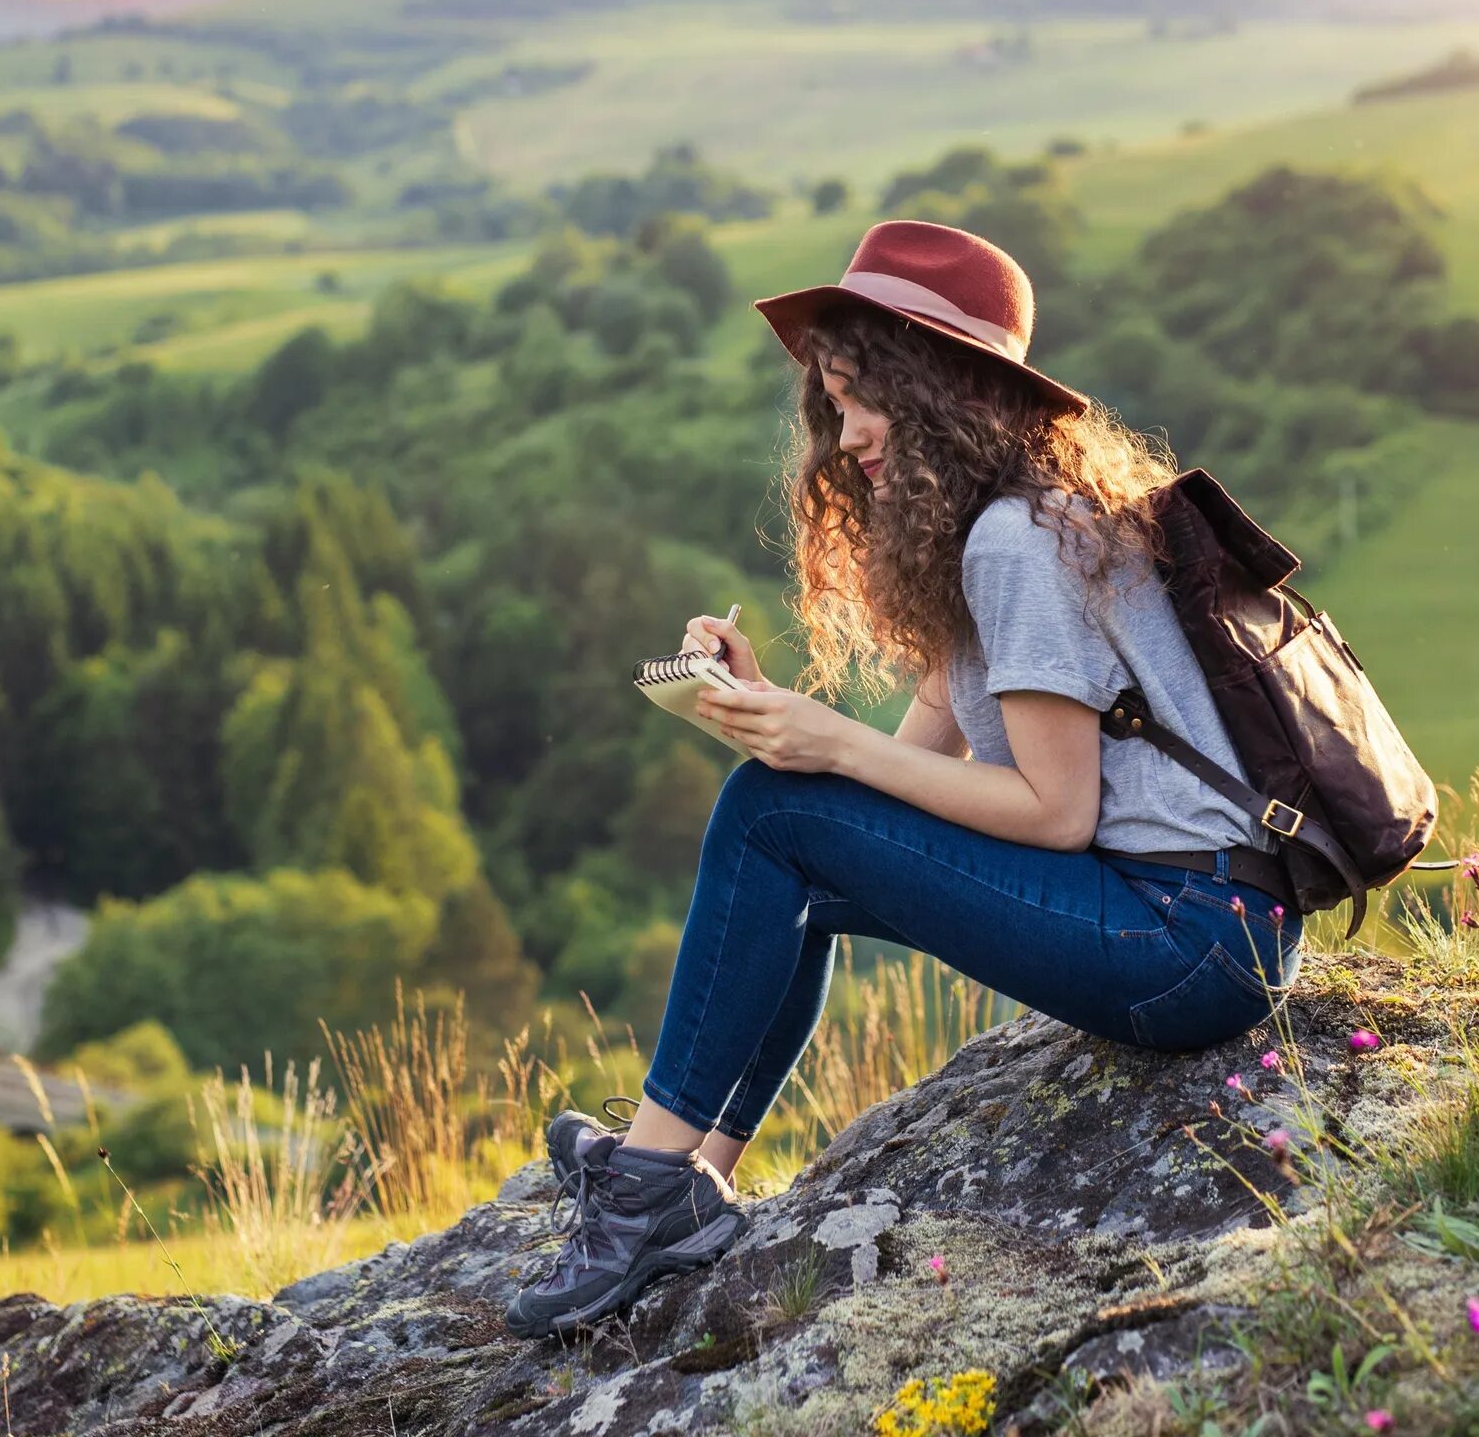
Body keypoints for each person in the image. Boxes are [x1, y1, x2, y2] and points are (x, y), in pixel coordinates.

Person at [505, 219, 1299, 1338]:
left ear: (946, 391)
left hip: (1187, 935)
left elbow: (1056, 812)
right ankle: (690, 1172)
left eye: (868, 396)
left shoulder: (1017, 546)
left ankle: (647, 1181)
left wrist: (821, 752)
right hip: (1190, 916)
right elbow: (896, 780)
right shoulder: (995, 528)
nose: (849, 433)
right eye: (833, 401)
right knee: (786, 844)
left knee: (777, 819)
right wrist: (770, 713)